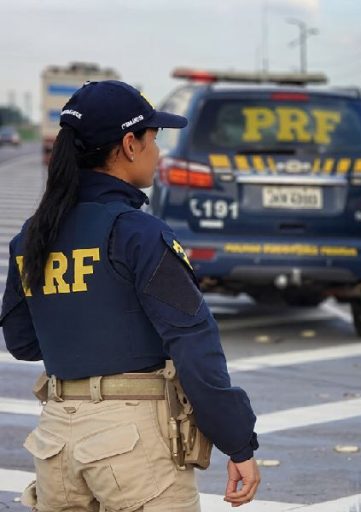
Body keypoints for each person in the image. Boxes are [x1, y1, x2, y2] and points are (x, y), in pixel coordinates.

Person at [0, 80, 261, 511]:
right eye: (154, 139)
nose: (158, 152)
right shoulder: (137, 233)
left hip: (55, 445)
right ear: (129, 144)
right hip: (133, 450)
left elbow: (24, 343)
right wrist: (239, 444)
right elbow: (195, 346)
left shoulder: (32, 236)